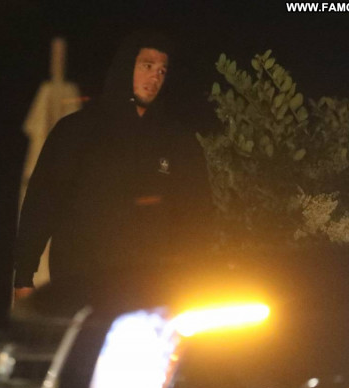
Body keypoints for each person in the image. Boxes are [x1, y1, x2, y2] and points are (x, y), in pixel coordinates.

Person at [13, 30, 210, 311]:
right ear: (127, 66)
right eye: (147, 66)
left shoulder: (178, 141)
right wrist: (23, 276)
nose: (154, 77)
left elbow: (198, 216)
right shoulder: (77, 131)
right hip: (80, 285)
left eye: (162, 71)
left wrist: (197, 280)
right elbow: (42, 202)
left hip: (152, 292)